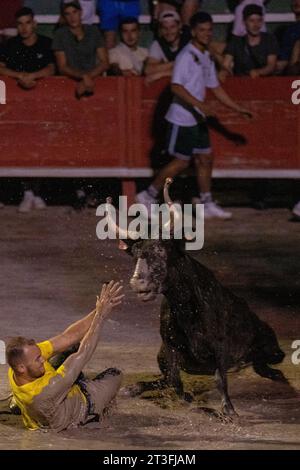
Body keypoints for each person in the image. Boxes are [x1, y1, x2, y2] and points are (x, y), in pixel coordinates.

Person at [136, 12, 252, 220]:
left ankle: (207, 203)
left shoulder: (205, 55)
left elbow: (214, 86)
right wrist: (201, 105)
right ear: (193, 32)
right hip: (181, 119)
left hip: (196, 118)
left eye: (209, 30)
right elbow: (176, 87)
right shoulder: (185, 56)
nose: (207, 34)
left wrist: (237, 108)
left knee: (206, 157)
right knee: (181, 161)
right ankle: (147, 196)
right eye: (202, 30)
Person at [6, 281, 124, 431]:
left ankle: (17, 402)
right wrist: (100, 317)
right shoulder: (45, 391)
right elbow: (84, 353)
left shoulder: (15, 367)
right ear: (21, 367)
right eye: (37, 359)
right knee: (115, 374)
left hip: (44, 403)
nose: (42, 358)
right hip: (78, 409)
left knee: (70, 346)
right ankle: (95, 417)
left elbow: (68, 336)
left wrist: (99, 308)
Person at [0, 6, 55, 212]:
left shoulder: (46, 43)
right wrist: (20, 76)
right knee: (22, 145)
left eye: (27, 23)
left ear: (35, 24)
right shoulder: (11, 45)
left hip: (42, 104)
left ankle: (37, 192)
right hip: (18, 105)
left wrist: (33, 76)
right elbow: (1, 67)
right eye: (20, 24)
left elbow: (52, 68)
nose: (24, 28)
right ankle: (28, 193)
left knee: (40, 146)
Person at [53, 0, 109, 99]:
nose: (72, 17)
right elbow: (62, 67)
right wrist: (84, 76)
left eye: (74, 12)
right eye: (68, 14)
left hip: (92, 80)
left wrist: (87, 78)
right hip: (69, 81)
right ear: (64, 17)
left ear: (81, 12)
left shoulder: (93, 31)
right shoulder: (60, 34)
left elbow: (104, 62)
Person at [222, 4, 278, 78]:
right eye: (251, 21)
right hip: (241, 83)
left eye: (259, 21)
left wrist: (258, 72)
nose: (256, 25)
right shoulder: (236, 42)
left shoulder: (269, 39)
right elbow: (226, 64)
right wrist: (224, 72)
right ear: (244, 22)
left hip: (265, 82)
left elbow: (271, 65)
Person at [145, 10, 188, 83]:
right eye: (165, 28)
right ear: (160, 30)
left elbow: (190, 71)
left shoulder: (189, 42)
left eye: (172, 27)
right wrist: (175, 63)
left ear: (179, 26)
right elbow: (148, 70)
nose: (169, 32)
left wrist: (161, 74)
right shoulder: (158, 44)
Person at [277, 0, 300, 74]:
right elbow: (283, 59)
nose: (296, 2)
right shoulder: (287, 30)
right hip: (287, 73)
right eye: (294, 0)